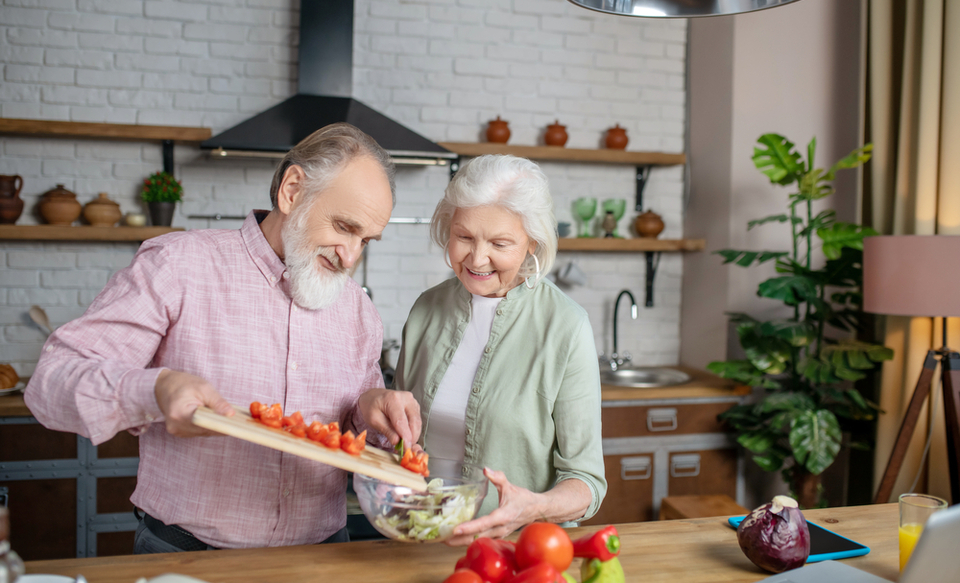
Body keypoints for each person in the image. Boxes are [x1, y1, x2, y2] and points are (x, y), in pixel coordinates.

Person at [24, 123, 422, 553]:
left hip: (322, 556)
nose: (351, 256)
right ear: (292, 191)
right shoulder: (179, 265)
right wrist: (156, 390)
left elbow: (355, 435)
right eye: (343, 227)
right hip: (188, 555)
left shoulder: (358, 309)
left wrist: (371, 411)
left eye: (366, 240)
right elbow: (51, 383)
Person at [395, 154, 606, 546]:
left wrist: (535, 506)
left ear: (532, 244)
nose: (477, 258)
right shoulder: (427, 309)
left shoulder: (566, 325)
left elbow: (586, 481)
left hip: (517, 551)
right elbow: (398, 438)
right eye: (464, 237)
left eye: (499, 243)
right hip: (420, 540)